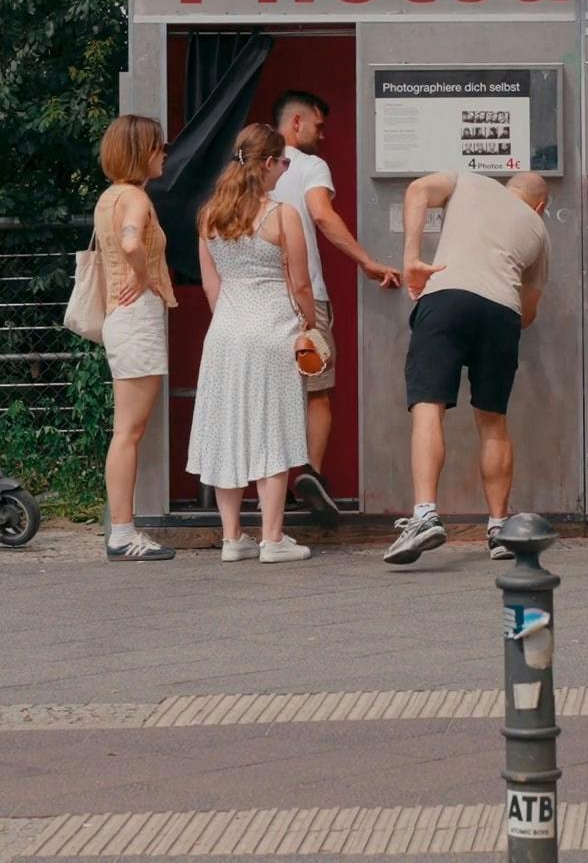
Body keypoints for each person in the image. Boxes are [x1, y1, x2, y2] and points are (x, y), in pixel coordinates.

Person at [384, 170, 550, 566]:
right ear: (540, 206)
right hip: (502, 312)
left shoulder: (468, 180)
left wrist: (411, 260)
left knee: (429, 405)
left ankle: (425, 515)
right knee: (493, 420)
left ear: (508, 186)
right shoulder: (540, 231)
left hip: (446, 297)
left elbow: (417, 190)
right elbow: (528, 313)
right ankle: (499, 529)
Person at [186, 123, 315, 564]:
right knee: (271, 430)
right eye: (284, 162)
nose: (285, 170)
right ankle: (272, 538)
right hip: (274, 331)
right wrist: (311, 324)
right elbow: (300, 283)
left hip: (224, 335)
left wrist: (230, 321)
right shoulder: (282, 215)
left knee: (227, 431)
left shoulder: (209, 216)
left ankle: (232, 537)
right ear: (268, 163)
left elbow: (211, 286)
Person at [272, 90, 401, 525]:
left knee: (270, 392)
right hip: (305, 294)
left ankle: (271, 482)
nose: (322, 135)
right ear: (296, 122)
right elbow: (323, 216)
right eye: (318, 125)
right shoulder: (310, 165)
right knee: (317, 390)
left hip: (258, 300)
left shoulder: (247, 167)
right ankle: (310, 473)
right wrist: (367, 261)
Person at [96, 115, 178, 561]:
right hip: (136, 318)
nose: (164, 153)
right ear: (141, 152)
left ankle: (123, 531)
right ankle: (123, 534)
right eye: (158, 146)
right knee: (129, 430)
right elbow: (131, 242)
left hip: (119, 318)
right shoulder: (135, 198)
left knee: (127, 429)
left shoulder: (109, 197)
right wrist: (143, 275)